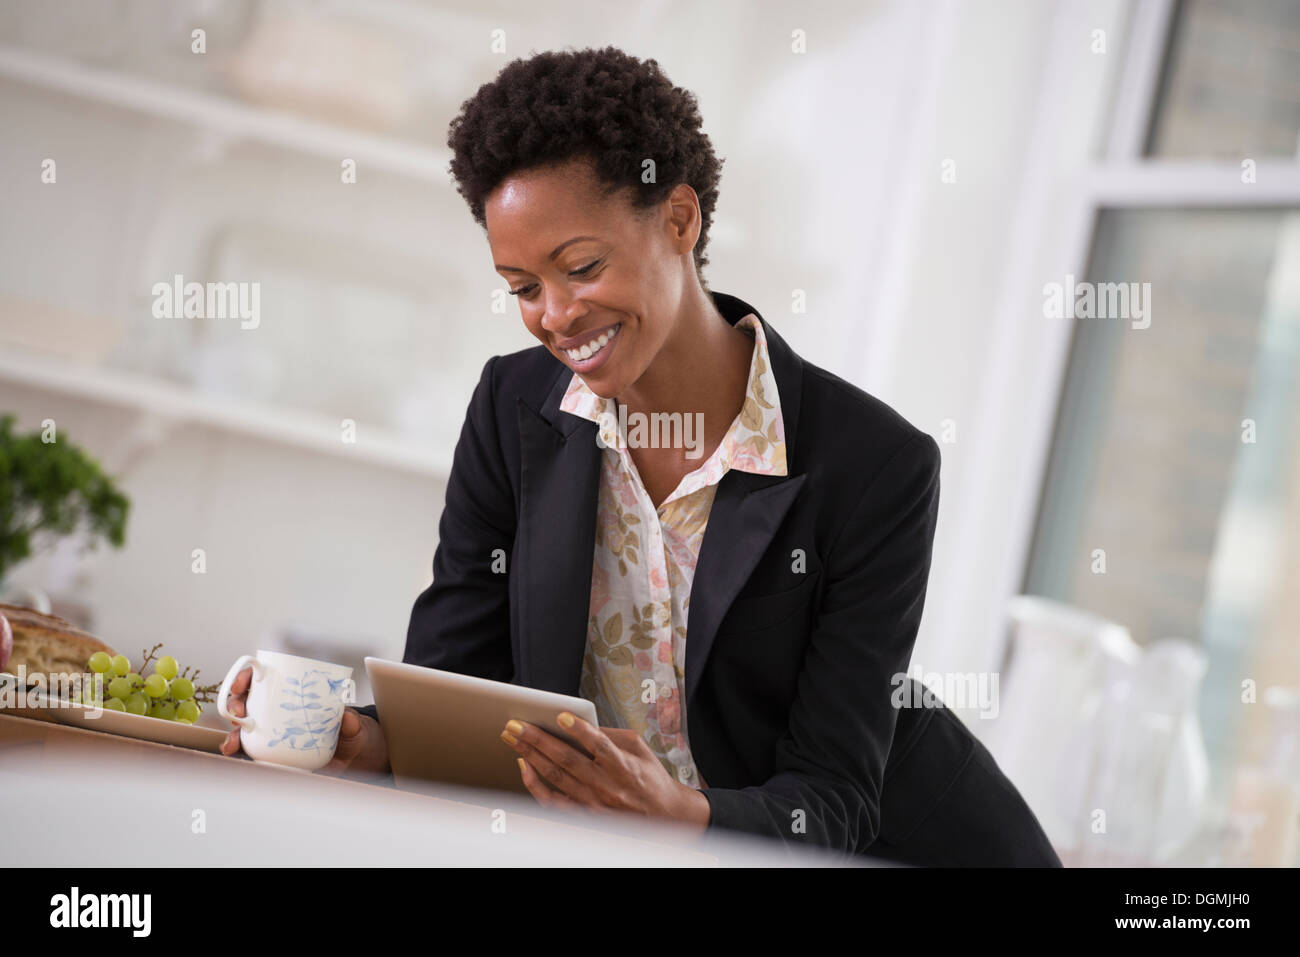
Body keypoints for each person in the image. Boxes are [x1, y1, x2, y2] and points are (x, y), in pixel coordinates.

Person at [222, 45, 1057, 865]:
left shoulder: (875, 466)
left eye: (580, 267)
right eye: (521, 287)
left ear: (680, 219)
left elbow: (833, 797)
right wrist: (355, 739)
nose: (554, 315)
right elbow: (454, 693)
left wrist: (682, 814)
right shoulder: (513, 412)